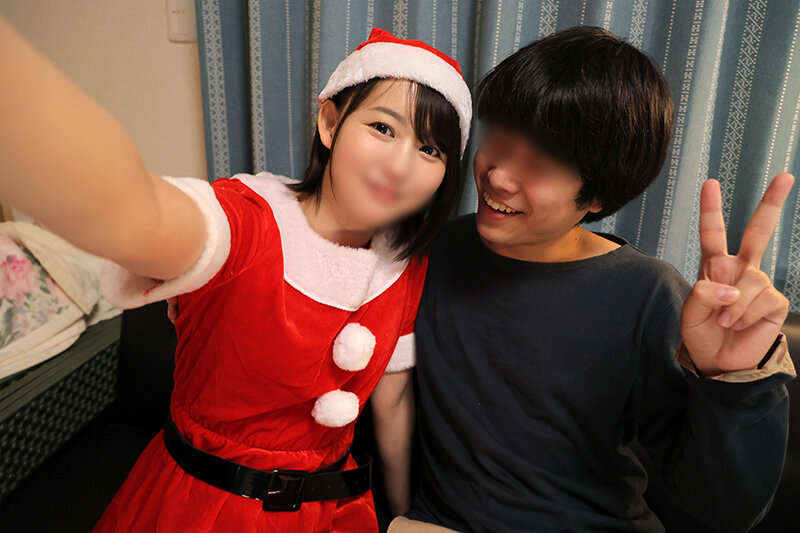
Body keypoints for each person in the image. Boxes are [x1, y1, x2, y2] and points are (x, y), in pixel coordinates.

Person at [0, 20, 472, 532]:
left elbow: (393, 402)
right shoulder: (245, 222)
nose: (401, 166)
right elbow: (135, 208)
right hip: (202, 509)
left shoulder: (405, 266)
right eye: (383, 128)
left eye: (430, 149)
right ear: (330, 123)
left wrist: (400, 514)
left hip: (337, 512)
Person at [390, 27, 796, 533]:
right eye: (499, 140)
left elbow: (729, 510)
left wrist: (732, 384)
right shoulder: (432, 251)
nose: (497, 177)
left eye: (538, 164)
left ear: (598, 196)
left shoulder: (647, 294)